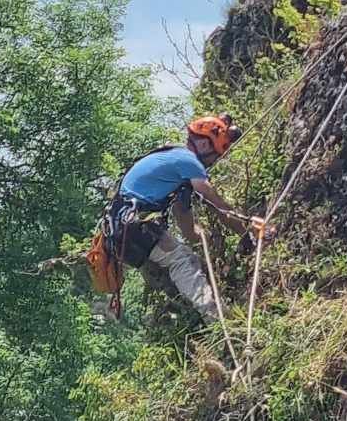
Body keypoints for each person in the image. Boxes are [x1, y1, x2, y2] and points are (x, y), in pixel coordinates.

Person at [108, 115, 269, 317]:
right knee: (182, 261)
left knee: (186, 265)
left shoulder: (172, 160)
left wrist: (200, 237)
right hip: (132, 226)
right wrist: (248, 233)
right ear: (204, 145)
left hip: (122, 233)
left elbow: (181, 213)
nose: (217, 160)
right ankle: (217, 319)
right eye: (218, 153)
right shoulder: (188, 161)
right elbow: (218, 205)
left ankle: (197, 319)